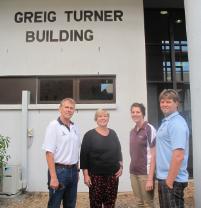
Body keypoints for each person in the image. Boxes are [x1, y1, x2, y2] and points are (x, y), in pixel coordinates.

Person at [42, 98, 81, 208]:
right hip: (59, 172)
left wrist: (77, 171)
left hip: (73, 171)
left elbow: (76, 150)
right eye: (66, 107)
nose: (69, 110)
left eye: (71, 108)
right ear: (60, 108)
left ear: (74, 110)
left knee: (70, 204)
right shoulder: (53, 126)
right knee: (54, 204)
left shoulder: (75, 127)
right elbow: (49, 153)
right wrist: (53, 177)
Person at [80, 109, 123, 208]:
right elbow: (84, 156)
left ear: (108, 118)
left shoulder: (113, 133)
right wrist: (86, 175)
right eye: (100, 116)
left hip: (112, 176)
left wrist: (121, 167)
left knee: (110, 203)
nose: (103, 118)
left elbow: (118, 151)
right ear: (96, 119)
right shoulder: (89, 135)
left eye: (105, 116)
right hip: (96, 177)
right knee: (96, 203)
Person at [156, 89, 189, 208]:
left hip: (172, 180)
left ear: (177, 103)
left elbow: (179, 156)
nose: (164, 104)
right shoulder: (167, 122)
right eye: (162, 101)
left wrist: (169, 180)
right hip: (165, 178)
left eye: (168, 101)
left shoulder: (176, 124)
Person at [129, 103, 156, 208]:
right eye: (133, 112)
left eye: (138, 112)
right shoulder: (132, 131)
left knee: (148, 204)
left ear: (143, 113)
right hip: (133, 173)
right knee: (139, 203)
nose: (135, 114)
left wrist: (150, 178)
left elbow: (154, 155)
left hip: (145, 174)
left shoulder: (149, 129)